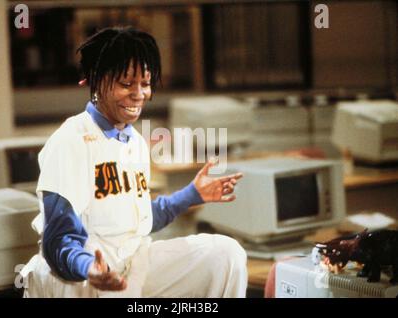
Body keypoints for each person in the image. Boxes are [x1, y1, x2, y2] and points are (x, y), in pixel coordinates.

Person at [21, 26, 247, 298]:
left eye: (146, 83)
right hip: (81, 276)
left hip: (131, 263)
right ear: (98, 81)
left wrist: (192, 195)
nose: (139, 94)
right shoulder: (70, 140)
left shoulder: (136, 142)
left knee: (225, 254)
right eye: (126, 84)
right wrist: (88, 267)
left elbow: (136, 220)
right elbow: (58, 241)